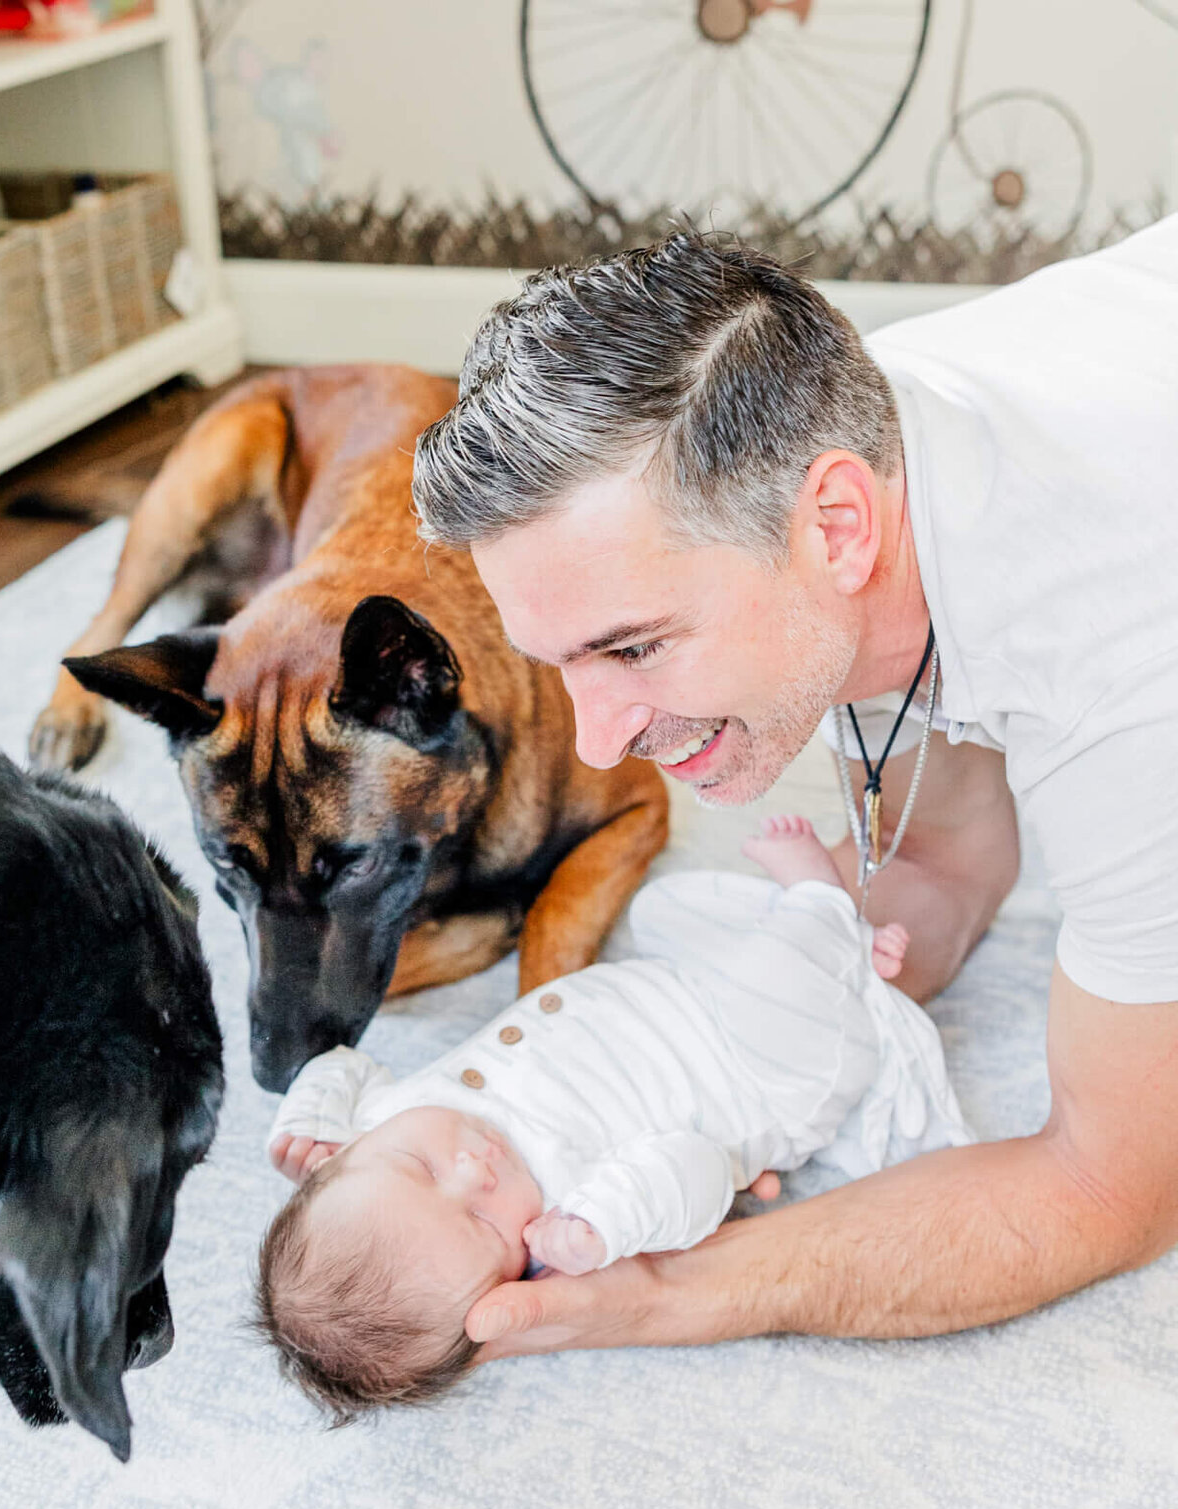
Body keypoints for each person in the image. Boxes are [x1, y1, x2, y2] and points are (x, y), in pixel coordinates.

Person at [408, 220, 1178, 1360]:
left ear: (837, 528)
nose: (602, 743)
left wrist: (675, 1290)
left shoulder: (1121, 675)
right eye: (562, 662)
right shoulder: (849, 448)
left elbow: (1111, 1190)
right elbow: (948, 867)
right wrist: (723, 1073)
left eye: (632, 648)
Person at [257, 819, 963, 1416]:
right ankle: (822, 907)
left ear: (346, 1157)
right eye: (481, 1221)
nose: (474, 1171)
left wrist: (313, 1111)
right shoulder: (569, 1216)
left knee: (670, 911)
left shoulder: (379, 1122)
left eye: (421, 1168)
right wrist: (606, 1226)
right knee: (781, 984)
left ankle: (839, 956)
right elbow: (696, 1172)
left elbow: (344, 1066)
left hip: (679, 993)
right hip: (762, 1069)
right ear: (514, 1279)